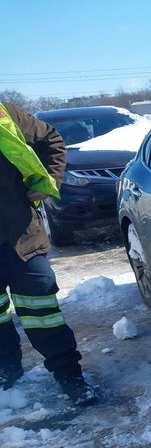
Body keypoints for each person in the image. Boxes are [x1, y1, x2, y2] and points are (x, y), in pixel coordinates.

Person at [0, 100, 96, 406]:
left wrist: (49, 180)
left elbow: (51, 140)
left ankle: (70, 377)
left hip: (21, 235)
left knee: (43, 311)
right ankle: (8, 374)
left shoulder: (3, 113)